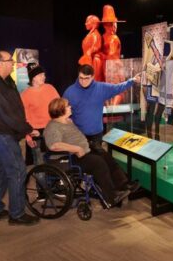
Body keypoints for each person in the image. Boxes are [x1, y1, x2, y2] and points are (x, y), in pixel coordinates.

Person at [0, 50, 40, 226]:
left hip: (3, 132)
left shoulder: (3, 80)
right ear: (0, 63)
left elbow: (14, 108)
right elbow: (8, 113)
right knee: (17, 171)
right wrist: (28, 129)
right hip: (3, 134)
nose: (13, 64)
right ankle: (16, 214)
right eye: (10, 61)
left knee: (0, 171)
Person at [63, 64, 140, 192]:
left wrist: (132, 81)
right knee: (99, 163)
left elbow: (118, 88)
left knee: (104, 161)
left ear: (93, 77)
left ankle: (120, 185)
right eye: (81, 78)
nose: (83, 81)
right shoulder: (70, 92)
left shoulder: (101, 88)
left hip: (96, 134)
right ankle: (113, 188)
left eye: (86, 78)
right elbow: (61, 112)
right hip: (78, 137)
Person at [43, 97, 131, 207]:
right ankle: (110, 197)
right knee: (98, 163)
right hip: (68, 159)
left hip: (82, 152)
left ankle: (122, 185)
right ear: (60, 110)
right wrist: (77, 149)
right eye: (67, 106)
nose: (70, 107)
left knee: (106, 156)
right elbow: (54, 145)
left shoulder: (67, 121)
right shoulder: (53, 127)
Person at [21, 62, 60, 165]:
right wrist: (28, 136)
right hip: (36, 133)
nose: (44, 77)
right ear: (33, 78)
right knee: (40, 164)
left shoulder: (50, 88)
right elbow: (24, 118)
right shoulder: (25, 95)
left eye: (43, 74)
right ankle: (41, 181)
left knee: (55, 160)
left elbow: (60, 106)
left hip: (52, 129)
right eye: (40, 75)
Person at [101, 5, 126, 105]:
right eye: (112, 24)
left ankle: (110, 109)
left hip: (107, 65)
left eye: (114, 24)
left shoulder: (103, 37)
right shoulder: (113, 38)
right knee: (118, 89)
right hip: (113, 66)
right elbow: (111, 55)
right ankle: (113, 110)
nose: (115, 26)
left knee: (110, 89)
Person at [79, 15, 103, 82]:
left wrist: (88, 54)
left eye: (87, 22)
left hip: (93, 61)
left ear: (93, 23)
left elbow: (96, 47)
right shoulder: (90, 34)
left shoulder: (95, 35)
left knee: (93, 80)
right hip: (88, 60)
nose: (85, 23)